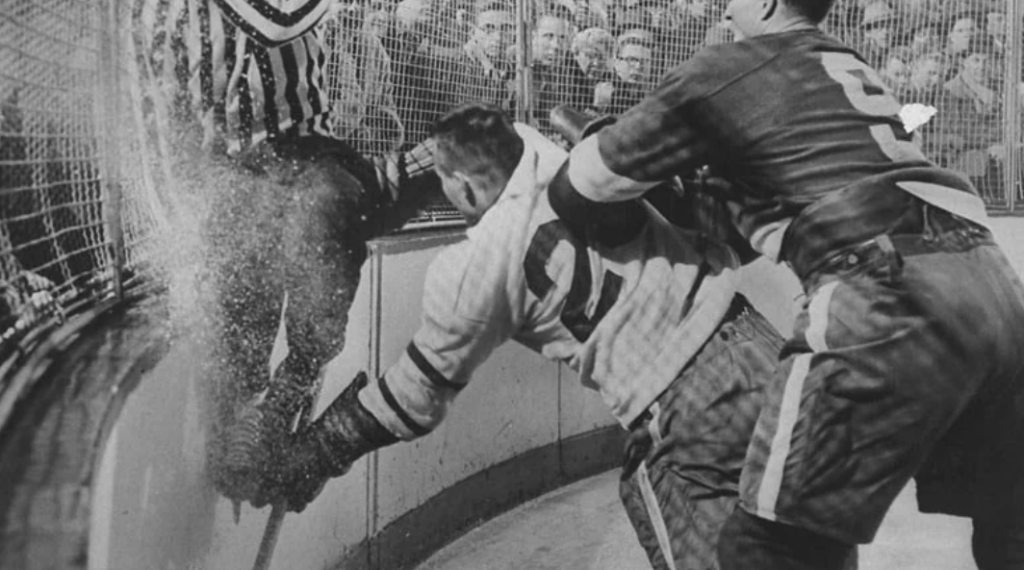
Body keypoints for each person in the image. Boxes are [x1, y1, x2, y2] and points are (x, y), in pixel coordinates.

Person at [546, 0, 1024, 570]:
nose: (726, 15)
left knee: (769, 547)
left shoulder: (728, 67)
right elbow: (770, 215)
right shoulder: (848, 68)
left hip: (886, 293)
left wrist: (596, 140)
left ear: (765, 0)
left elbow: (579, 191)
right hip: (996, 289)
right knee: (1010, 536)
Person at [250, 103, 784, 570]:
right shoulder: (546, 148)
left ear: (460, 186)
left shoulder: (474, 268)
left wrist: (319, 451)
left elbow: (413, 399)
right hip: (761, 349)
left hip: (681, 410)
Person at [127, 0, 438, 501]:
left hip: (307, 155)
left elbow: (276, 14)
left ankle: (296, 382)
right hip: (231, 176)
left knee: (323, 208)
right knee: (241, 267)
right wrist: (180, 231)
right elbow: (159, 122)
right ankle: (255, 431)